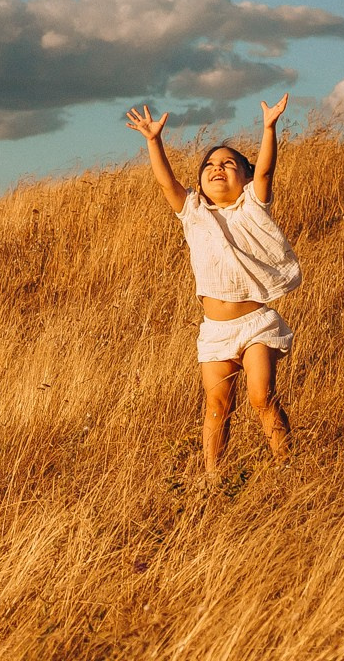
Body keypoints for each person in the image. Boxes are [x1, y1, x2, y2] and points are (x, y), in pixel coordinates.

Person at [127, 92, 300, 480]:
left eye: (229, 164)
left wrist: (269, 128)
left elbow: (267, 172)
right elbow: (166, 182)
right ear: (200, 181)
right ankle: (213, 479)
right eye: (209, 165)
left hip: (255, 323)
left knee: (261, 396)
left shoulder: (251, 205)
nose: (217, 168)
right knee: (217, 406)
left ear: (245, 176)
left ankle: (288, 468)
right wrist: (154, 141)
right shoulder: (194, 212)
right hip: (215, 331)